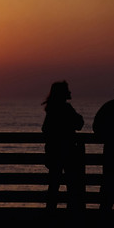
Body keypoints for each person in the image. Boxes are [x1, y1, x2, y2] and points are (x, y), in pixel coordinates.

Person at [41, 81, 85, 216]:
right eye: (67, 90)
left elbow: (45, 129)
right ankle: (71, 214)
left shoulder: (51, 109)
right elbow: (79, 124)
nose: (70, 92)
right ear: (62, 93)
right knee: (72, 184)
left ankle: (50, 212)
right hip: (67, 152)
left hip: (54, 152)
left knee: (54, 184)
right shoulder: (65, 108)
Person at [92, 98, 114, 214]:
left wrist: (106, 137)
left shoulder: (108, 107)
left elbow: (96, 127)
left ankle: (104, 214)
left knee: (108, 183)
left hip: (110, 152)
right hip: (110, 152)